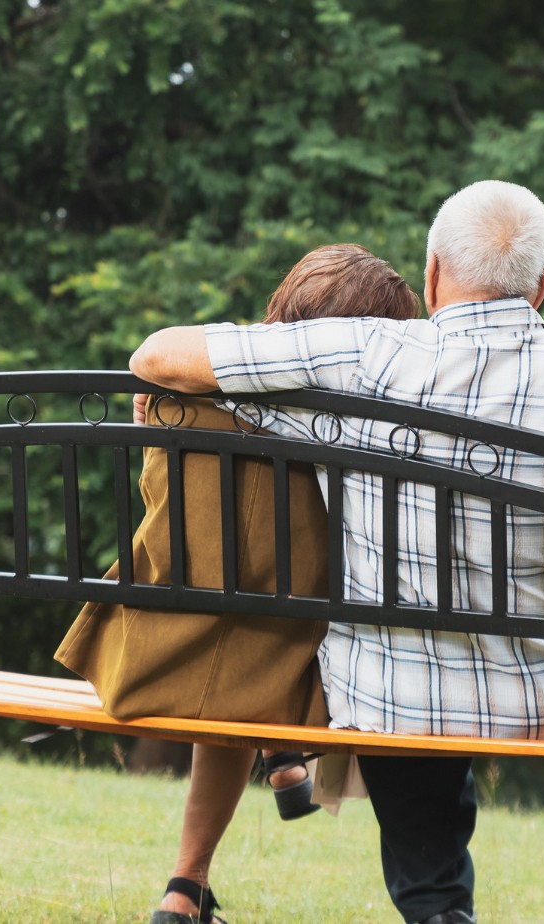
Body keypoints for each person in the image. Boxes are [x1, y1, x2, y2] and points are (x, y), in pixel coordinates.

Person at [128, 180, 544, 924]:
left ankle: (435, 909)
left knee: (408, 679)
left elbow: (160, 352)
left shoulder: (361, 354)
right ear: (541, 285)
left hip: (391, 699)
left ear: (431, 273)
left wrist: (167, 383)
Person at [54, 243, 421, 924]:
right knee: (263, 626)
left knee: (232, 622)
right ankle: (280, 751)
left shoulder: (179, 402)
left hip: (150, 650)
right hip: (277, 667)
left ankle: (185, 889)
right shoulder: (351, 430)